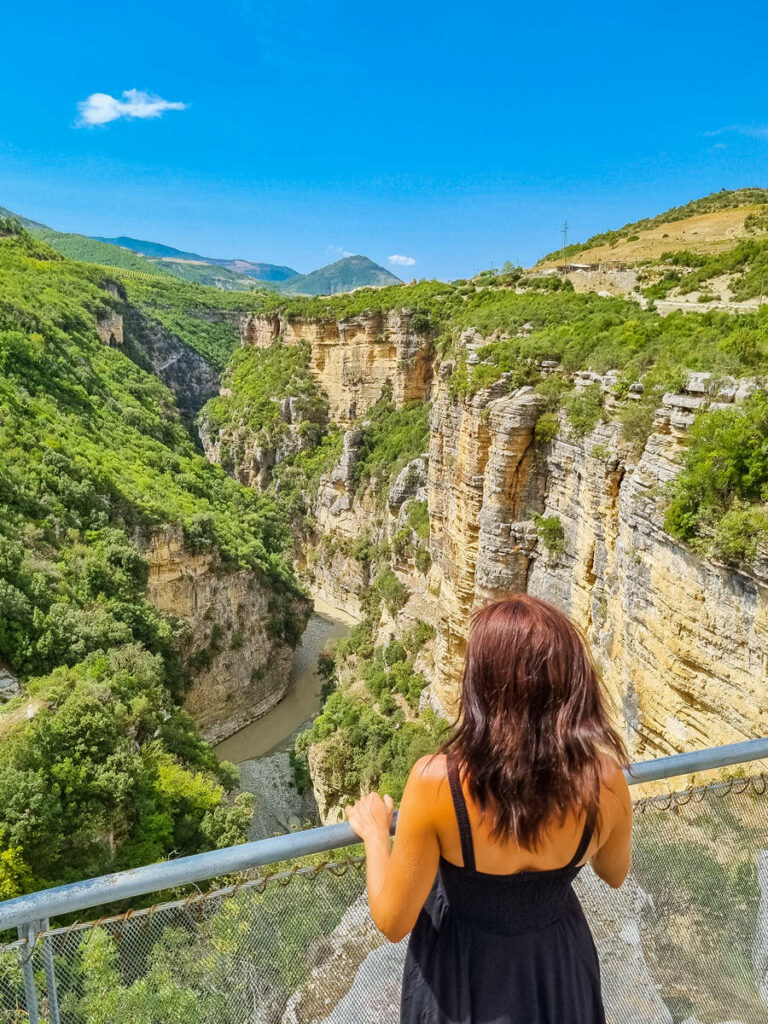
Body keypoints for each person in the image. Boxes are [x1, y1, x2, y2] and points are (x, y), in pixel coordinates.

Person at [346, 594, 632, 1024]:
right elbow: (614, 873)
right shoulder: (605, 780)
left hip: (463, 975)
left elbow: (392, 921)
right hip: (557, 970)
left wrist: (373, 834)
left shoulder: (438, 783)